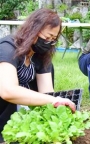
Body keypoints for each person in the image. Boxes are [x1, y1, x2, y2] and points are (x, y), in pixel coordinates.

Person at [0, 8, 76, 142]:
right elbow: (7, 91)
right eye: (47, 37)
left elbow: (47, 93)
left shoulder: (40, 54)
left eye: (53, 39)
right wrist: (53, 100)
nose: (49, 42)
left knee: (49, 67)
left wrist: (57, 107)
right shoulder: (7, 47)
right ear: (33, 30)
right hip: (4, 104)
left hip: (21, 103)